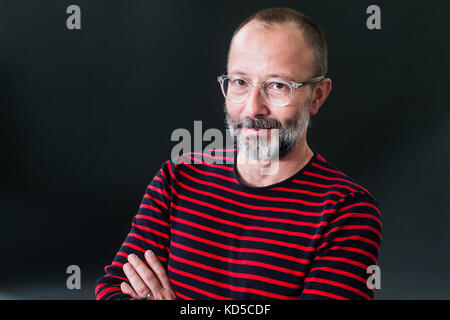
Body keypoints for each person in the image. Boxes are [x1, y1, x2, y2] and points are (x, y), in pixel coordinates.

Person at [95, 7, 382, 300]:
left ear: (318, 95)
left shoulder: (347, 211)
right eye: (240, 82)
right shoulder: (177, 178)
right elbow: (113, 289)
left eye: (277, 86)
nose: (253, 108)